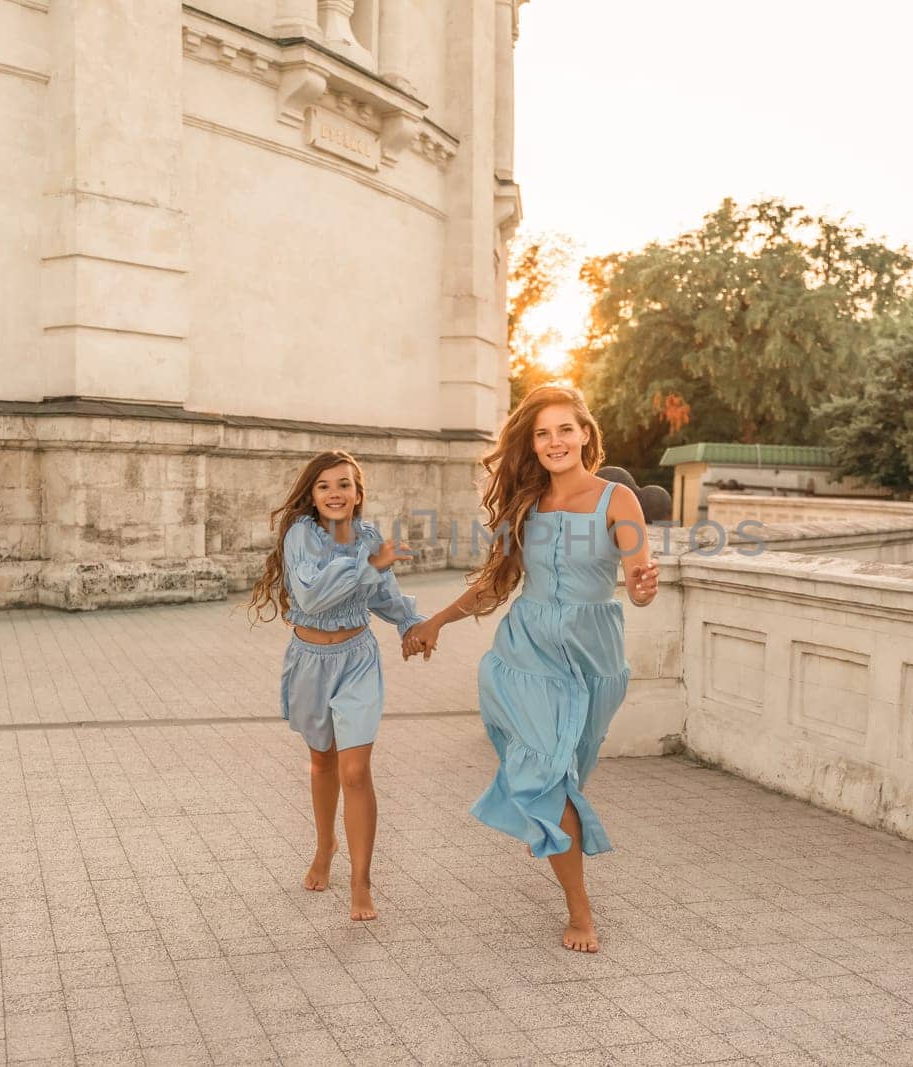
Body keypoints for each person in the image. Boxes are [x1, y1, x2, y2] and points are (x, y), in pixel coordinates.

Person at [402, 385, 659, 952]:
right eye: (542, 433)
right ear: (533, 444)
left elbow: (639, 575)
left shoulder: (619, 501)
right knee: (548, 776)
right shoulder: (525, 504)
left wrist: (642, 587)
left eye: (565, 429)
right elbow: (497, 582)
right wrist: (437, 621)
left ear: (586, 434)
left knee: (570, 769)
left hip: (595, 655)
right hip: (528, 651)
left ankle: (545, 821)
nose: (554, 441)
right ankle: (579, 912)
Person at [248, 450, 423, 922]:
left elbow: (384, 595)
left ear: (358, 493)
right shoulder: (300, 536)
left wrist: (412, 625)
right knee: (322, 759)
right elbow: (311, 593)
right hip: (309, 660)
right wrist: (372, 566)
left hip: (357, 660)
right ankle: (325, 846)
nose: (335, 493)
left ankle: (361, 880)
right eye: (324, 485)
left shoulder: (369, 537)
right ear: (312, 495)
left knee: (355, 771)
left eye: (344, 484)